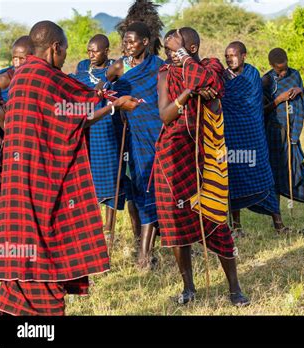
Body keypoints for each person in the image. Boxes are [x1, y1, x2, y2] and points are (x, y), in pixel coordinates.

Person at [0, 20, 138, 316]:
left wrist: (109, 104)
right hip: (38, 187)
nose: (64, 57)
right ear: (55, 47)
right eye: (64, 50)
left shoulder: (22, 78)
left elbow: (72, 115)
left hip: (15, 190)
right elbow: (79, 113)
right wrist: (114, 105)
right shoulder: (46, 78)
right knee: (44, 259)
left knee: (18, 257)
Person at [154, 27, 249, 306]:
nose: (170, 54)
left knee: (217, 220)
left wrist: (191, 71)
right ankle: (188, 287)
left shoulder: (211, 65)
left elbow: (211, 83)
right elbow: (165, 114)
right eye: (168, 50)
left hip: (207, 154)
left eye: (176, 49)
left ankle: (234, 288)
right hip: (172, 156)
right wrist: (187, 92)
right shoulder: (164, 74)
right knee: (176, 225)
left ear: (191, 49)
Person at [72, 34, 140, 247]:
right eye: (89, 51)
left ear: (106, 51)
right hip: (91, 131)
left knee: (113, 180)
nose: (91, 55)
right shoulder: (83, 70)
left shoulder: (117, 70)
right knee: (90, 181)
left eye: (95, 51)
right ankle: (91, 230)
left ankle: (109, 232)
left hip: (114, 132)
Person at [106, 22, 164, 269]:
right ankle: (144, 252)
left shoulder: (159, 67)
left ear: (145, 43)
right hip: (135, 137)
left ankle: (156, 249)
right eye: (125, 42)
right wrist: (116, 103)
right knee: (142, 189)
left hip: (160, 136)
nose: (127, 46)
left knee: (161, 190)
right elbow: (103, 90)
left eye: (132, 42)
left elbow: (167, 99)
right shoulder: (119, 66)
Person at [221, 41, 288, 235]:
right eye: (226, 56)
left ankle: (278, 223)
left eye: (233, 55)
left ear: (243, 55)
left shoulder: (252, 75)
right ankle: (237, 226)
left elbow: (255, 106)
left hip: (253, 135)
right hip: (232, 135)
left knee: (264, 176)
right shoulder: (223, 78)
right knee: (234, 179)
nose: (229, 59)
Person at [262, 48, 304, 225]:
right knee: (275, 175)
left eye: (285, 66)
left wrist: (299, 91)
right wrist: (279, 100)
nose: (284, 71)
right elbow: (260, 111)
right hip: (274, 134)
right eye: (280, 69)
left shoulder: (295, 75)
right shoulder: (266, 81)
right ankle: (277, 221)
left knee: (299, 171)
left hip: (292, 134)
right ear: (272, 66)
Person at [0, 36, 34, 192]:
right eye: (14, 59)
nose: (18, 63)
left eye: (22, 59)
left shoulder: (38, 77)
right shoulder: (5, 79)